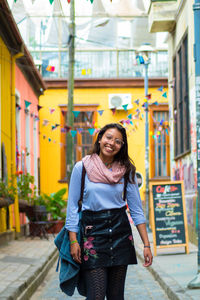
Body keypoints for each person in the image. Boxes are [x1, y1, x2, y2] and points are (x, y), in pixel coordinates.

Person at [65, 123, 153, 300]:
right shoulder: (81, 168)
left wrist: (146, 244)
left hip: (120, 232)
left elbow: (136, 210)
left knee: (116, 296)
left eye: (118, 141)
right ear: (100, 138)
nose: (112, 143)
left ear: (122, 146)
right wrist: (73, 241)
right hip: (93, 234)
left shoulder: (126, 171)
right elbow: (73, 207)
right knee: (96, 295)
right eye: (109, 137)